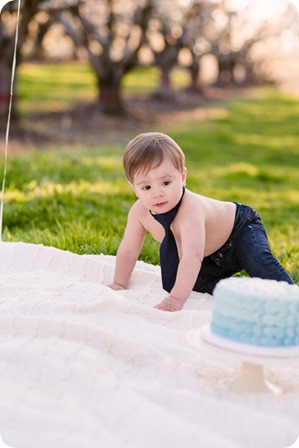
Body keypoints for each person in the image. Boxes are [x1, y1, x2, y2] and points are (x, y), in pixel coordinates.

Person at [108, 132, 294, 311]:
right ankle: (242, 290)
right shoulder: (139, 212)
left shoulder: (190, 210)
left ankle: (292, 299)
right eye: (146, 187)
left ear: (182, 177)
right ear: (134, 188)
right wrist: (119, 283)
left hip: (239, 230)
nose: (157, 193)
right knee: (192, 282)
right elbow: (128, 250)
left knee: (259, 262)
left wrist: (175, 299)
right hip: (212, 255)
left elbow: (192, 257)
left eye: (166, 182)